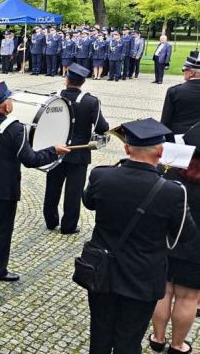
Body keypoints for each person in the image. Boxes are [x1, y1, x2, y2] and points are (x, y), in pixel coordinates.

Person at [83, 118, 196, 354]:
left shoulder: (101, 176)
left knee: (100, 334)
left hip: (103, 271)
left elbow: (89, 202)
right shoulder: (172, 192)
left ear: (126, 148)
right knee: (129, 340)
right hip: (142, 277)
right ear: (161, 152)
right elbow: (184, 236)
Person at [0, 82, 69, 281]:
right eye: (10, 99)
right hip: (4, 190)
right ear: (6, 106)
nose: (12, 102)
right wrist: (53, 151)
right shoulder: (15, 129)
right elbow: (30, 160)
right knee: (2, 230)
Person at [149, 122, 200, 354]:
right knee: (188, 297)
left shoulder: (168, 171)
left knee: (164, 291)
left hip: (167, 239)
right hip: (196, 247)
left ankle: (157, 338)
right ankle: (178, 345)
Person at [43, 64, 109, 234]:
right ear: (83, 82)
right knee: (74, 191)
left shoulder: (53, 98)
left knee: (52, 187)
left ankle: (51, 221)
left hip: (56, 150)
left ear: (66, 80)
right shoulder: (91, 101)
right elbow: (101, 127)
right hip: (79, 152)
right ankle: (68, 225)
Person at [160, 50, 200, 138]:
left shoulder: (175, 91)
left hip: (179, 137)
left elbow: (165, 121)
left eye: (185, 70)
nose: (183, 72)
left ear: (192, 73)